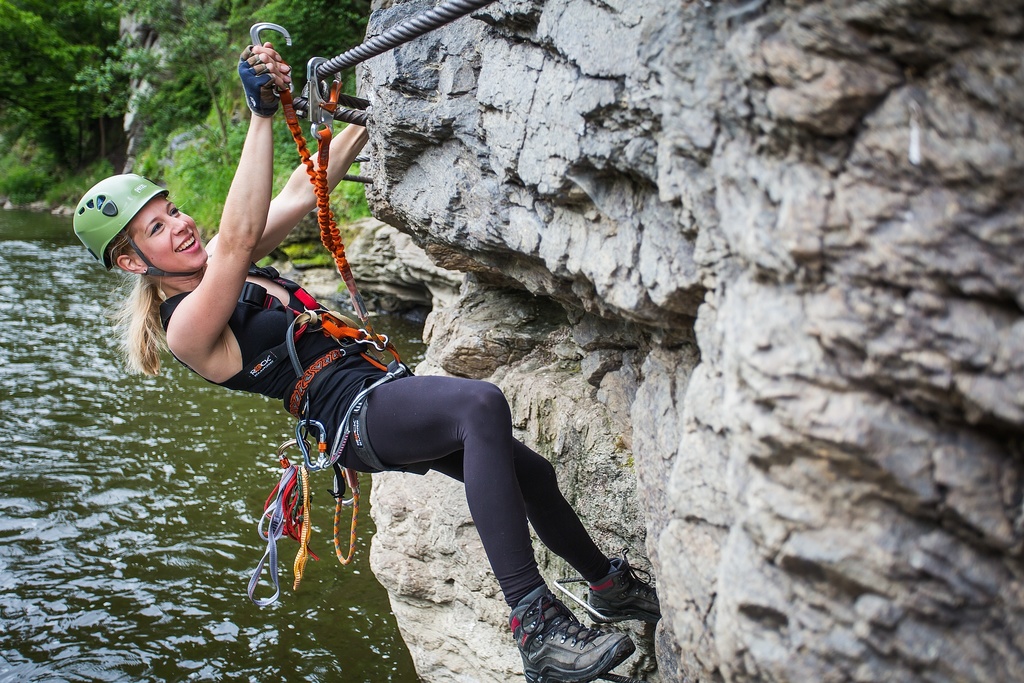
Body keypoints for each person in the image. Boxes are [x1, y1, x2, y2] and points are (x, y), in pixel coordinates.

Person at [73, 40, 660, 683]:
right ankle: (536, 628)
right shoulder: (186, 325)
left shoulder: (216, 265)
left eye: (173, 211)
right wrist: (260, 116)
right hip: (351, 416)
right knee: (478, 405)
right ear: (133, 262)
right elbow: (239, 237)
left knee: (533, 476)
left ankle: (607, 586)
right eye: (156, 229)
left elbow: (303, 189)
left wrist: (360, 105)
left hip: (375, 391)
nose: (179, 226)